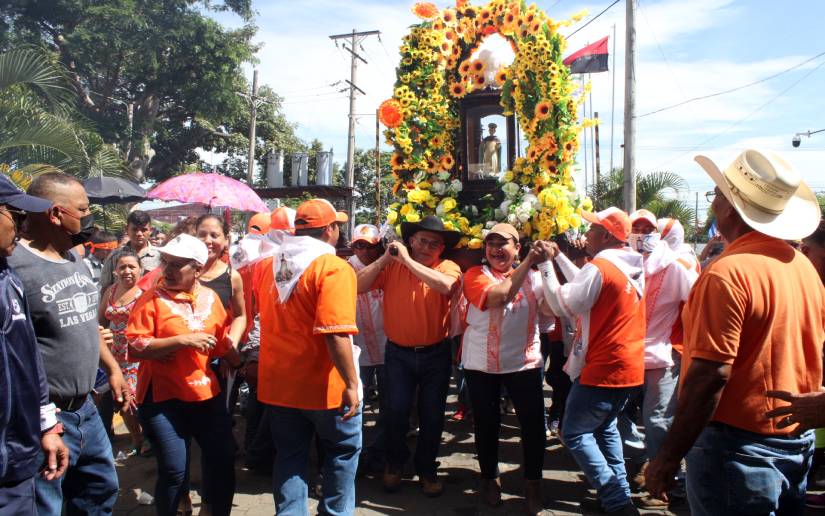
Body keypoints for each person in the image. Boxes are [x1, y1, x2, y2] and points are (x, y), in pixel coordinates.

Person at [646, 149, 825, 515]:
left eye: (716, 194)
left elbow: (712, 374)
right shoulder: (802, 267)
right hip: (793, 442)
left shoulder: (727, 273)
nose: (713, 202)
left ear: (729, 208)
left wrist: (667, 457)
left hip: (737, 447)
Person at [8, 172, 128, 515]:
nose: (88, 216)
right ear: (57, 214)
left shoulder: (75, 257)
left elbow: (87, 322)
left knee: (100, 490)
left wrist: (112, 367)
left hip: (86, 408)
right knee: (46, 503)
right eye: (83, 209)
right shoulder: (15, 265)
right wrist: (43, 419)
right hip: (45, 417)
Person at [256, 198, 361, 515]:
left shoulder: (268, 266)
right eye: (337, 226)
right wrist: (352, 384)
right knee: (342, 452)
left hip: (279, 386)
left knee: (289, 456)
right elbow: (336, 333)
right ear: (330, 229)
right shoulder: (332, 267)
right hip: (325, 388)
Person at [537, 206, 645, 515]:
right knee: (605, 428)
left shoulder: (602, 267)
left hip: (604, 367)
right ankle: (619, 493)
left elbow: (561, 303)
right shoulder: (625, 264)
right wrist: (558, 257)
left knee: (573, 432)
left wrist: (546, 265)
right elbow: (585, 285)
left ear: (607, 236)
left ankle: (616, 500)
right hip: (627, 366)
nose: (586, 235)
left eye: (593, 230)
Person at [126, 233, 240, 516]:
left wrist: (241, 362)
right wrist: (182, 341)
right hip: (162, 399)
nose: (168, 270)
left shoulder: (212, 298)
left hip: (204, 394)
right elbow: (135, 345)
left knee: (223, 460)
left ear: (198, 269)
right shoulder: (151, 299)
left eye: (178, 265)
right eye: (166, 262)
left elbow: (221, 340)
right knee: (175, 471)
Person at [357, 215, 462, 497]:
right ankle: (395, 463)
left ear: (442, 248)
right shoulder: (392, 266)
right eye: (421, 241)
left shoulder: (447, 267)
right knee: (396, 412)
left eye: (434, 243)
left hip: (436, 354)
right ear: (410, 241)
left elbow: (446, 286)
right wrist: (385, 260)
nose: (427, 247)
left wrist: (407, 261)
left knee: (432, 415)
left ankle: (427, 468)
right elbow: (358, 285)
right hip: (398, 354)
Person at [461, 223, 551, 514]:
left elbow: (554, 312)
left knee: (534, 425)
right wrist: (528, 263)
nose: (497, 249)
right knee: (486, 424)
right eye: (491, 243)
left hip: (523, 363)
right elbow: (498, 297)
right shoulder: (475, 275)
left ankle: (533, 482)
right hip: (481, 365)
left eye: (505, 243)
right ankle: (489, 478)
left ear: (517, 248)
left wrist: (550, 262)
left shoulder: (535, 278)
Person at [0, 175, 69, 513]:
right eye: (16, 216)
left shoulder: (7, 279)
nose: (23, 227)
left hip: (17, 457)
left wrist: (46, 426)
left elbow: (27, 361)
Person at [626, 209, 698, 509]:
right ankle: (648, 464)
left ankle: (668, 486)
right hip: (624, 355)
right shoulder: (620, 261)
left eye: (647, 227)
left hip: (662, 355)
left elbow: (699, 299)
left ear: (658, 233)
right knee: (610, 415)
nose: (641, 232)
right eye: (636, 227)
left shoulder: (675, 265)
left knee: (657, 421)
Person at [98, 251, 147, 456]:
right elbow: (101, 320)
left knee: (133, 399)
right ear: (116, 270)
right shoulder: (111, 290)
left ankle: (145, 437)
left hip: (136, 356)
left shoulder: (145, 292)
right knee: (120, 399)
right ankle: (137, 437)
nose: (127, 271)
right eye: (122, 267)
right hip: (113, 356)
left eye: (131, 267)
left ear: (140, 270)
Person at [348, 223, 388, 473]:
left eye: (370, 246)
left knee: (389, 402)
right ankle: (357, 451)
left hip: (386, 344)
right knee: (357, 402)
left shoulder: (390, 264)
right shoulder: (344, 267)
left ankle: (380, 449)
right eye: (359, 245)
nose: (364, 250)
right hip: (357, 347)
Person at [100, 210, 160, 292]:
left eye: (143, 230)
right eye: (135, 229)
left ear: (151, 230)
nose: (139, 233)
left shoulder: (160, 256)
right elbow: (105, 288)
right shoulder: (114, 256)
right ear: (127, 229)